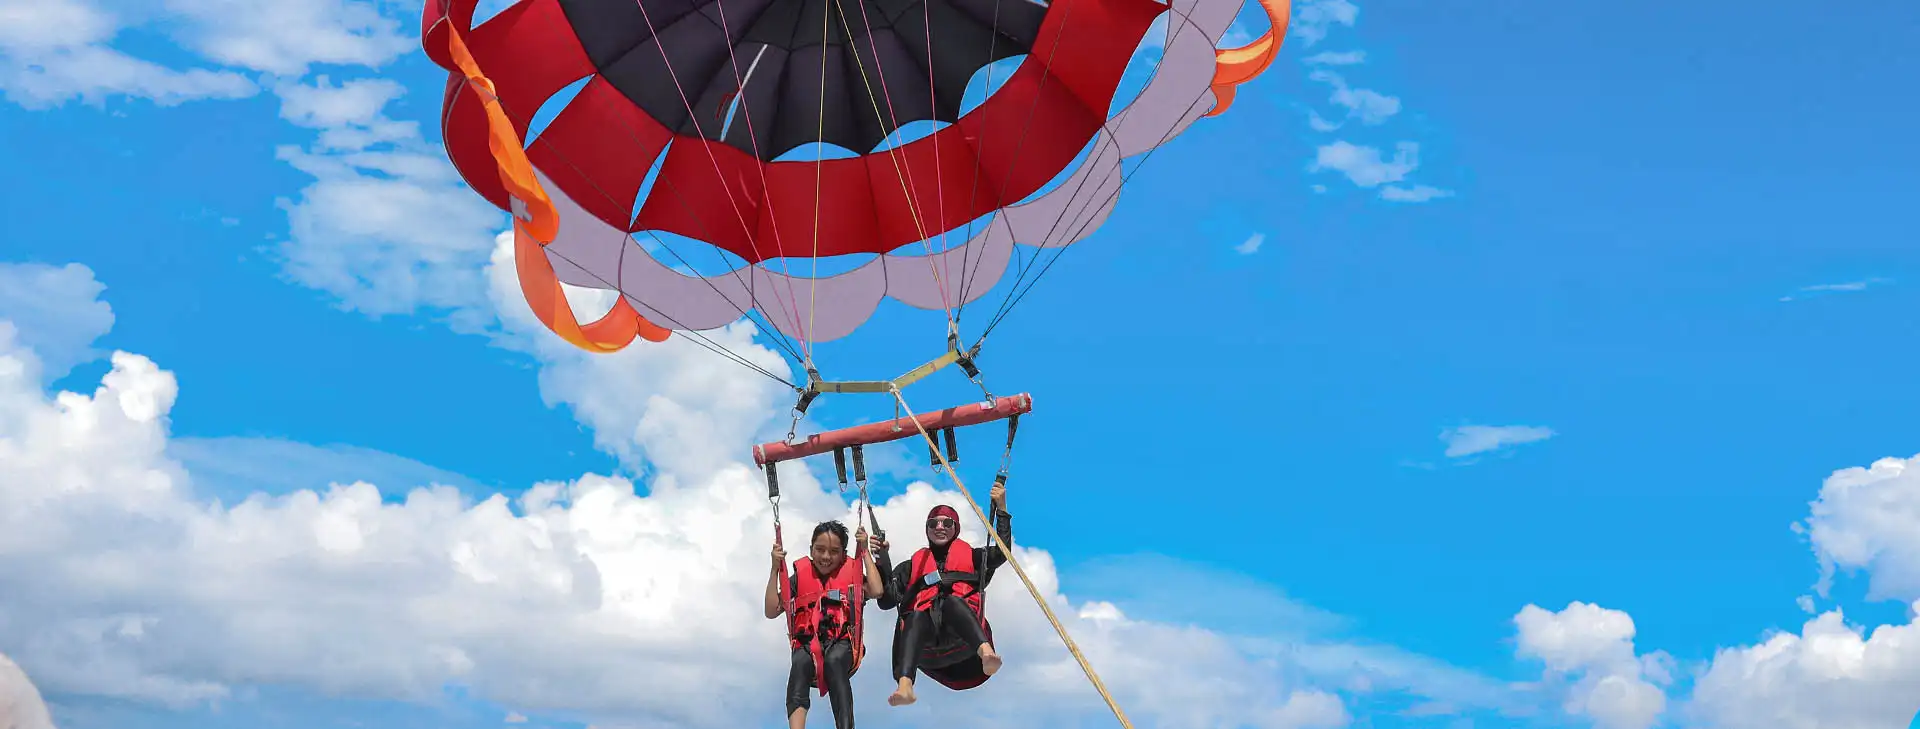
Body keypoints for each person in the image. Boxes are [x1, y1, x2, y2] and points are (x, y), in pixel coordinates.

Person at [874, 482, 1013, 707]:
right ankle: (905, 685)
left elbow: (1001, 553)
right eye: (933, 523)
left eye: (947, 523)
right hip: (928, 648)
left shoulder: (974, 559)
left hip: (965, 647)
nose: (940, 527)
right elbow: (887, 600)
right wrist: (882, 559)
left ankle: (986, 653)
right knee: (915, 615)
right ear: (926, 529)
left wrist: (1002, 510)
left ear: (955, 528)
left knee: (951, 602)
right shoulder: (911, 568)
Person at [765, 520, 886, 729]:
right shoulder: (800, 577)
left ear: (843, 553)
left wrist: (864, 551)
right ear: (811, 549)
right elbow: (771, 610)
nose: (826, 557)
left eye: (833, 551)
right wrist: (775, 569)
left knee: (834, 660)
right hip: (807, 642)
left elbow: (877, 590)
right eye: (819, 550)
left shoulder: (852, 573)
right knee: (800, 662)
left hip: (843, 642)